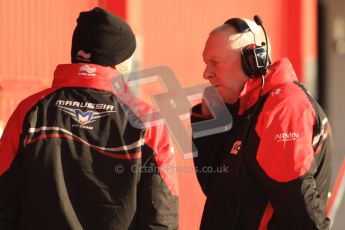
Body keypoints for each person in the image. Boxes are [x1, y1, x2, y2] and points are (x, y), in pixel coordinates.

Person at [0, 7, 179, 230]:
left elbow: (4, 198)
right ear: (118, 61)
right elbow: (161, 213)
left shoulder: (29, 111)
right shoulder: (147, 121)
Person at [191, 16, 333, 230]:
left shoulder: (282, 106)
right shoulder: (249, 107)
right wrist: (208, 122)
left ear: (253, 60)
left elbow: (299, 205)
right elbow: (218, 191)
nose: (206, 73)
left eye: (215, 62)